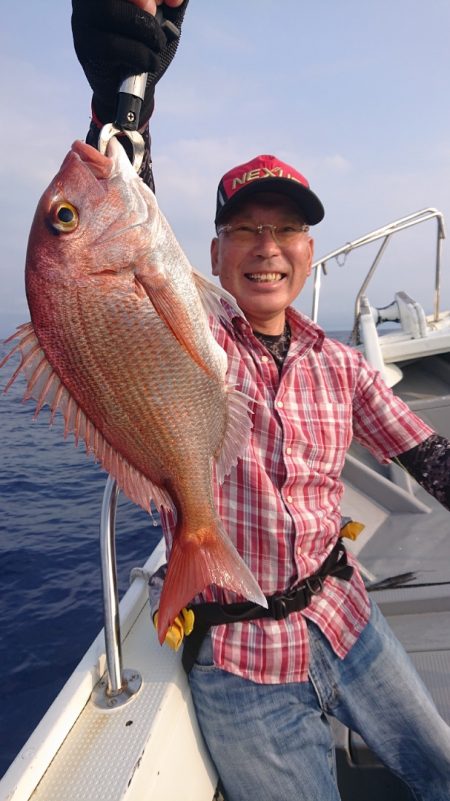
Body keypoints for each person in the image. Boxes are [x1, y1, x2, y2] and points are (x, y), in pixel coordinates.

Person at [71, 3, 450, 799]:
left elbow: (428, 455)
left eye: (285, 230)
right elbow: (120, 207)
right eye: (244, 229)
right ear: (211, 254)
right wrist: (123, 83)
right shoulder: (190, 341)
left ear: (310, 252)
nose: (266, 248)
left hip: (350, 621)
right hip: (243, 668)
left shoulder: (340, 364)